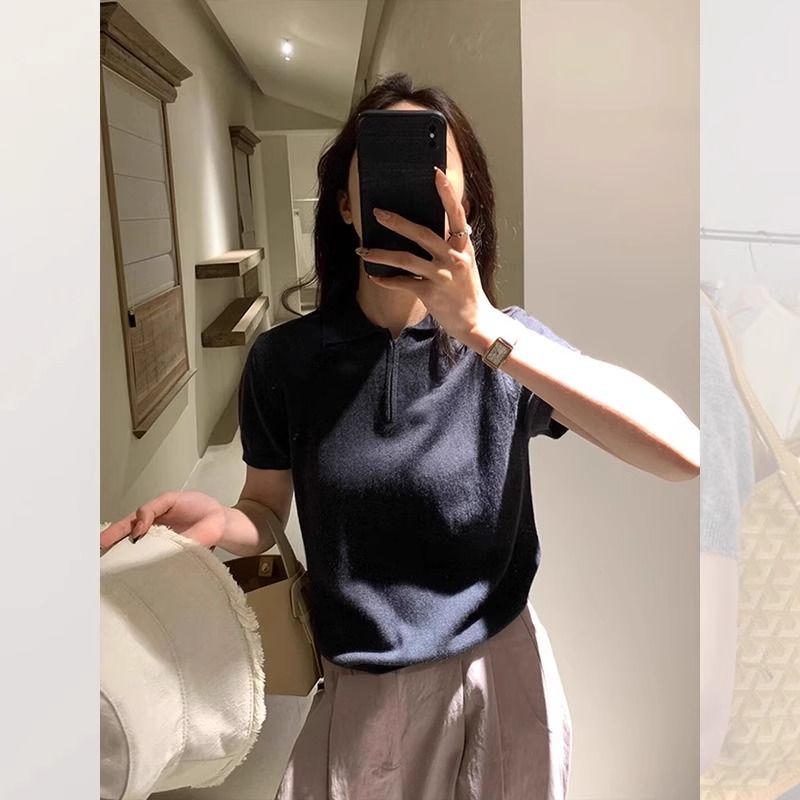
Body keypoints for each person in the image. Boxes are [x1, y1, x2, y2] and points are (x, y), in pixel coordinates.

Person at [100, 73, 700, 800]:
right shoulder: (285, 361)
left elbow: (681, 453)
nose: (408, 188)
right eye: (383, 167)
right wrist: (226, 522)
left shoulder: (504, 348)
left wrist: (483, 330)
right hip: (362, 688)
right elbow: (264, 508)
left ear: (465, 203)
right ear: (346, 205)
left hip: (500, 678)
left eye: (433, 167)